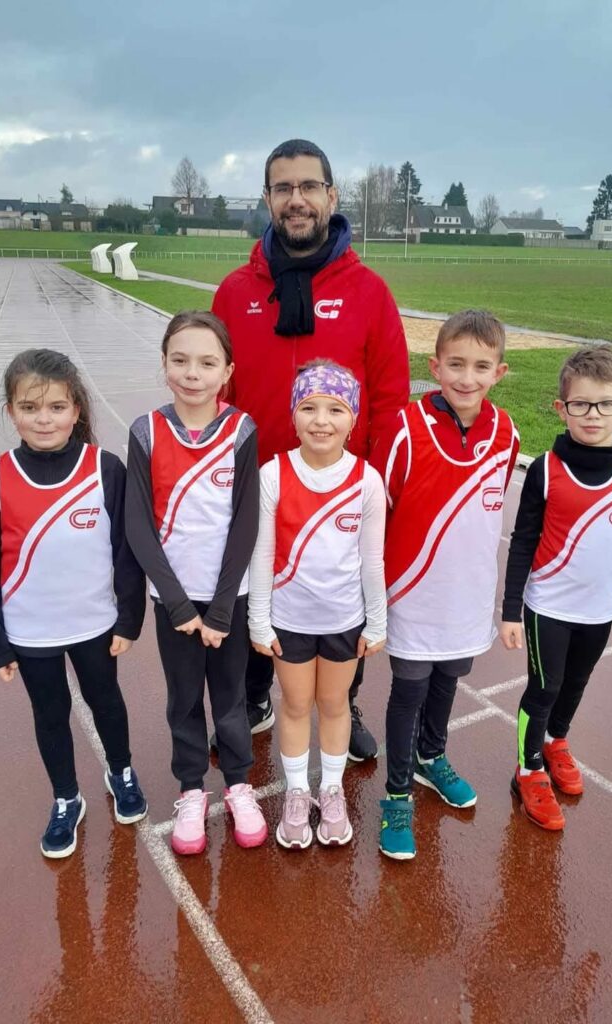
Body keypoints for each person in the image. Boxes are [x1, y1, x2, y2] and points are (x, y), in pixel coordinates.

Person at [211, 138, 409, 761]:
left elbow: (389, 397)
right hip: (261, 489)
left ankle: (342, 703)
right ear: (267, 199)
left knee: (338, 601)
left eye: (308, 186)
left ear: (332, 195)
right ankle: (254, 695)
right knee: (255, 599)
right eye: (282, 188)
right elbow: (221, 395)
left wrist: (369, 484)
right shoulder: (236, 290)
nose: (295, 200)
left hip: (339, 491)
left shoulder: (369, 292)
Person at [0, 349, 148, 859]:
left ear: (76, 410)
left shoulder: (104, 469)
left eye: (55, 407)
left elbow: (126, 553)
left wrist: (128, 618)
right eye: (29, 408)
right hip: (30, 632)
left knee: (107, 703)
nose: (43, 419)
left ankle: (122, 773)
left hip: (94, 622)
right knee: (50, 713)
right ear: (11, 412)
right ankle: (67, 798)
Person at [372, 310, 519, 860]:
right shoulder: (404, 429)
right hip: (413, 591)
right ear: (434, 366)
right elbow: (377, 513)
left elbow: (488, 510)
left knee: (448, 680)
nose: (466, 377)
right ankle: (396, 793)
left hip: (468, 594)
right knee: (408, 689)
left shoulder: (507, 433)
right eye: (455, 364)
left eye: (481, 366)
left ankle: (433, 757)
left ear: (499, 372)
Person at [500, 344, 612, 830]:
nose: (593, 415)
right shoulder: (545, 470)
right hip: (546, 605)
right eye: (580, 404)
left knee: (575, 685)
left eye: (605, 404)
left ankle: (556, 742)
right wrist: (511, 609)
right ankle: (527, 769)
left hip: (599, 610)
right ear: (561, 407)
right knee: (545, 686)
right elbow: (523, 541)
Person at [125, 311, 267, 855]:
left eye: (207, 362)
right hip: (174, 604)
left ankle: (237, 784)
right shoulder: (146, 431)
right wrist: (180, 606)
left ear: (226, 371)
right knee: (184, 698)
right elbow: (138, 523)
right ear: (164, 365)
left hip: (229, 598)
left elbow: (246, 520)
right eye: (180, 360)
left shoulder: (242, 430)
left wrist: (223, 606)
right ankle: (190, 789)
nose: (193, 372)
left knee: (231, 699)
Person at [248, 361, 387, 849]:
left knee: (333, 704)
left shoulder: (367, 480)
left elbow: (373, 559)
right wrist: (259, 620)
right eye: (309, 407)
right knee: (296, 704)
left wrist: (377, 619)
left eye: (335, 409)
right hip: (290, 621)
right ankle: (296, 792)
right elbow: (262, 554)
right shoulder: (273, 474)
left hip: (345, 623)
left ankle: (331, 789)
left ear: (353, 419)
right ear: (293, 414)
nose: (321, 420)